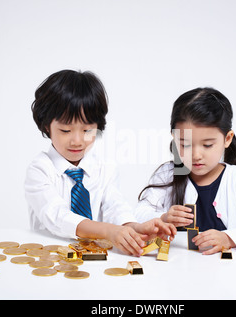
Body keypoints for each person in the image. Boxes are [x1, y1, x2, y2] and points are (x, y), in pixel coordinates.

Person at [24, 69, 176, 256]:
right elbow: (57, 216)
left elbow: (115, 206)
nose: (77, 140)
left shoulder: (106, 167)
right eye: (65, 130)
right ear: (47, 126)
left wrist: (134, 228)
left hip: (94, 260)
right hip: (50, 256)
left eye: (87, 130)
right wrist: (108, 231)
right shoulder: (40, 170)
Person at [136, 87, 236, 255]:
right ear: (174, 138)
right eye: (185, 144)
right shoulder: (167, 174)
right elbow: (137, 215)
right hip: (177, 270)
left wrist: (229, 238)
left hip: (227, 271)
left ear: (227, 139)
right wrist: (162, 218)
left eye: (207, 145)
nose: (196, 155)